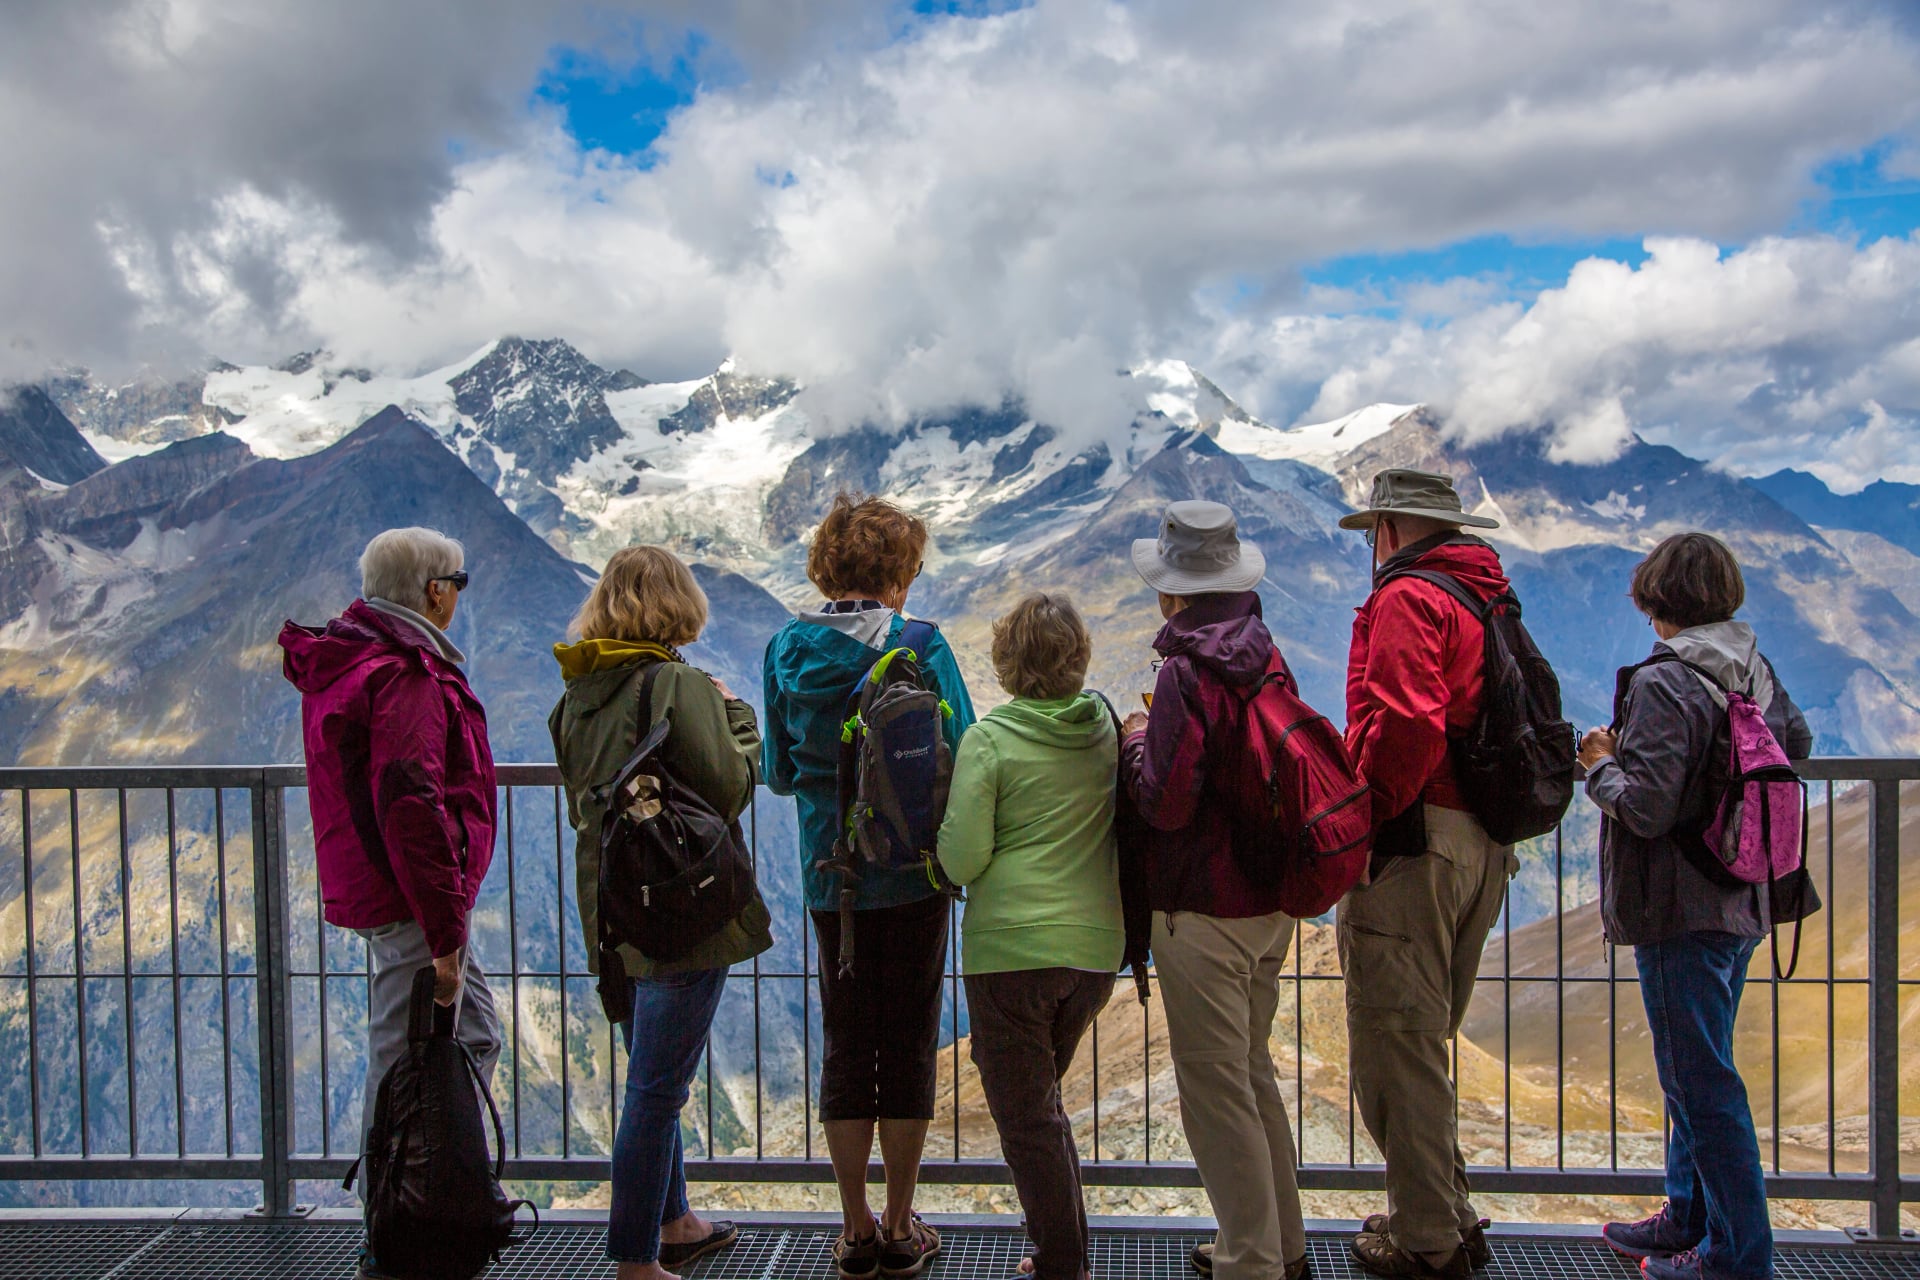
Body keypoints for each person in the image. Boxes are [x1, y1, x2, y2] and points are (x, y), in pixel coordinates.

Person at [1580, 533, 1816, 1280]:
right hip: (1744, 893)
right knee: (1700, 1069)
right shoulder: (1754, 666)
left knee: (1700, 1083)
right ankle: (1687, 1217)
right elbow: (1798, 742)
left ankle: (1736, 1258)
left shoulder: (1664, 681)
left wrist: (1600, 764)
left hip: (1679, 906)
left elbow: (1644, 809)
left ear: (1655, 599)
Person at [277, 527, 503, 1280]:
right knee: (413, 1059)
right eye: (458, 582)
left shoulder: (353, 660)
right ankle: (410, 1226)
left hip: (386, 893)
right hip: (414, 903)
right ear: (434, 591)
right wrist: (445, 934)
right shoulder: (403, 675)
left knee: (446, 1041)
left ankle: (433, 1207)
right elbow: (413, 803)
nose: (460, 597)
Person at [762, 493, 976, 1280]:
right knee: (909, 1042)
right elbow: (963, 746)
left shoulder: (786, 649)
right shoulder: (923, 646)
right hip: (914, 874)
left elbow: (779, 775)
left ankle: (852, 1229)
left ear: (827, 566)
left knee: (849, 1043)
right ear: (900, 573)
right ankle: (898, 1223)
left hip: (831, 880)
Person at [550, 546, 772, 1280]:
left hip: (611, 910)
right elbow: (735, 783)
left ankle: (674, 1223)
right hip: (679, 910)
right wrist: (736, 712)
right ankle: (635, 1260)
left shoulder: (577, 694)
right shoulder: (676, 684)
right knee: (656, 1093)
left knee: (649, 1075)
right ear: (676, 605)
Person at [1117, 500, 1309, 1280]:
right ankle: (1280, 1245)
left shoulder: (1186, 673)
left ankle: (1249, 1260)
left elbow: (1165, 801)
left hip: (1204, 910)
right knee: (1252, 1073)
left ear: (1171, 594)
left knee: (1215, 1089)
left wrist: (1135, 741)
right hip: (1270, 903)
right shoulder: (1266, 655)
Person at [1337, 470, 1516, 1279]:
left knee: (1396, 1044)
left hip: (1419, 842)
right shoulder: (1486, 593)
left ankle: (1427, 1244)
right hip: (1482, 840)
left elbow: (1406, 720)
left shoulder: (1412, 597)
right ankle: (1443, 1210)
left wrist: (1365, 819)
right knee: (1424, 1038)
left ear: (1392, 528)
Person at [936, 593, 1123, 1280]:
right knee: (1039, 1109)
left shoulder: (988, 741)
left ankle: (1061, 1262)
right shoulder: (1102, 725)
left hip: (1010, 954)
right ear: (1077, 658)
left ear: (1007, 662)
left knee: (1027, 1120)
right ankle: (1061, 1247)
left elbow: (962, 860)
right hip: (1097, 955)